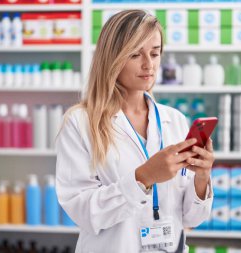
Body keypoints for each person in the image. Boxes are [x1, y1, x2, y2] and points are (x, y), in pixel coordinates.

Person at [56, 9, 214, 253]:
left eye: (155, 53)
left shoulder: (175, 120)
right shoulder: (81, 122)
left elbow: (192, 219)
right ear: (113, 57)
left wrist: (202, 178)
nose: (148, 65)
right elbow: (83, 212)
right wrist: (143, 178)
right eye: (135, 54)